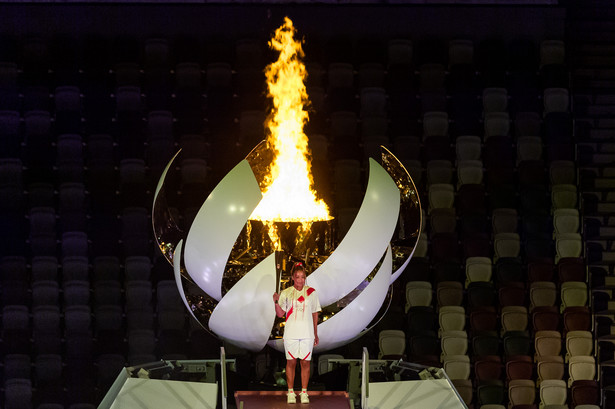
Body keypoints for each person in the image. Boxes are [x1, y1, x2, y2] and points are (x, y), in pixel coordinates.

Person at [273, 262, 321, 404]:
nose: (300, 280)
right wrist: (275, 302)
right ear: (293, 277)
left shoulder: (311, 292)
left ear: (305, 277)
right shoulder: (286, 293)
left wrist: (315, 333)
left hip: (307, 333)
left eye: (303, 277)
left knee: (305, 363)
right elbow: (281, 313)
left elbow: (314, 313)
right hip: (291, 333)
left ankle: (304, 392)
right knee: (291, 362)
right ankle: (291, 392)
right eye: (297, 277)